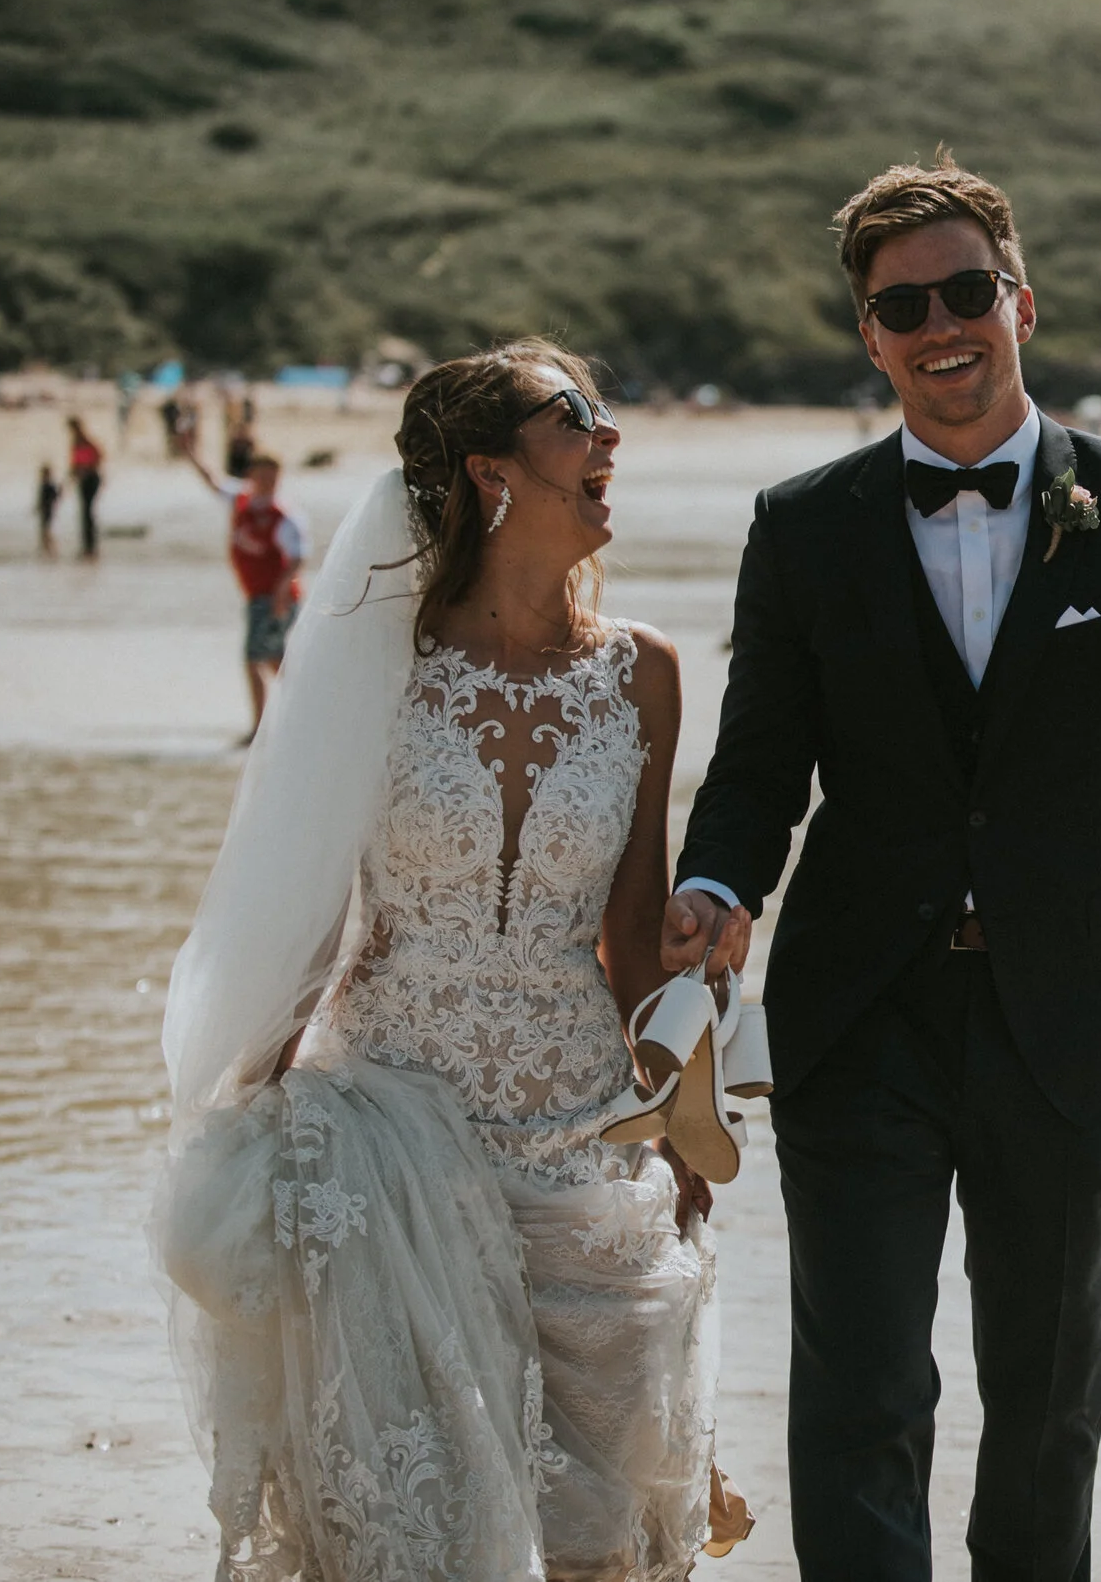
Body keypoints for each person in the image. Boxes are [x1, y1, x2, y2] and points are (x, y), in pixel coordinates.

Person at [664, 155, 1101, 1581]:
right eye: (903, 303)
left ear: (1022, 302)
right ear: (869, 335)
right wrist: (717, 888)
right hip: (859, 1015)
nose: (942, 324)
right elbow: (759, 765)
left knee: (1050, 1404)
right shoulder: (802, 526)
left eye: (966, 290)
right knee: (861, 1394)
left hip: (1077, 1016)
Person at [154, 338, 750, 1577]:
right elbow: (313, 919)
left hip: (584, 1140)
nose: (609, 440)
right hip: (389, 1141)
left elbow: (630, 935)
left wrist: (680, 1112)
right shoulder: (381, 663)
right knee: (412, 1535)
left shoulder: (644, 674)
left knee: (593, 1535)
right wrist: (244, 1115)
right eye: (574, 416)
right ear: (490, 471)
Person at [178, 438, 306, 740]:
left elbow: (298, 559)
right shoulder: (241, 500)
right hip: (257, 595)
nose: (267, 482)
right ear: (251, 476)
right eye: (261, 476)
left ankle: (260, 728)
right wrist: (191, 453)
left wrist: (279, 593)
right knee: (274, 658)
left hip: (275, 597)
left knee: (254, 658)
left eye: (272, 477)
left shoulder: (284, 515)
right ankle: (305, 710)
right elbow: (213, 481)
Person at [64, 417, 105, 559]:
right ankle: (88, 546)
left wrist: (85, 469)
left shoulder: (84, 442)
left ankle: (90, 547)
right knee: (85, 513)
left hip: (90, 479)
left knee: (87, 512)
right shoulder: (78, 443)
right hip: (84, 479)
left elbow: (97, 457)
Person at [34, 461, 60, 556]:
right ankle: (47, 548)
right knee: (45, 529)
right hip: (46, 510)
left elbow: (53, 497)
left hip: (48, 510)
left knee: (46, 530)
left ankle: (50, 548)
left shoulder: (48, 485)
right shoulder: (45, 485)